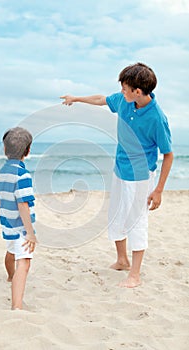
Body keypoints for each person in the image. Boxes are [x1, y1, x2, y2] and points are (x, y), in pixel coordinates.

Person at [60, 62, 173, 288]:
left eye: (124, 88)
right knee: (116, 215)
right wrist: (77, 98)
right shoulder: (124, 100)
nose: (121, 91)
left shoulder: (157, 118)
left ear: (137, 92)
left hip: (141, 176)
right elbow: (102, 99)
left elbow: (168, 155)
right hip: (120, 169)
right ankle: (122, 260)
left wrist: (158, 190)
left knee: (136, 220)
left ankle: (135, 274)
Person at [0, 127, 37, 309]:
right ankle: (17, 306)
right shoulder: (22, 175)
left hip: (7, 225)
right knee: (24, 263)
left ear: (5, 150)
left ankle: (10, 277)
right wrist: (30, 233)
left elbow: (0, 201)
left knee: (11, 252)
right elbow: (23, 204)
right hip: (20, 228)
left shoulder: (1, 173)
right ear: (27, 151)